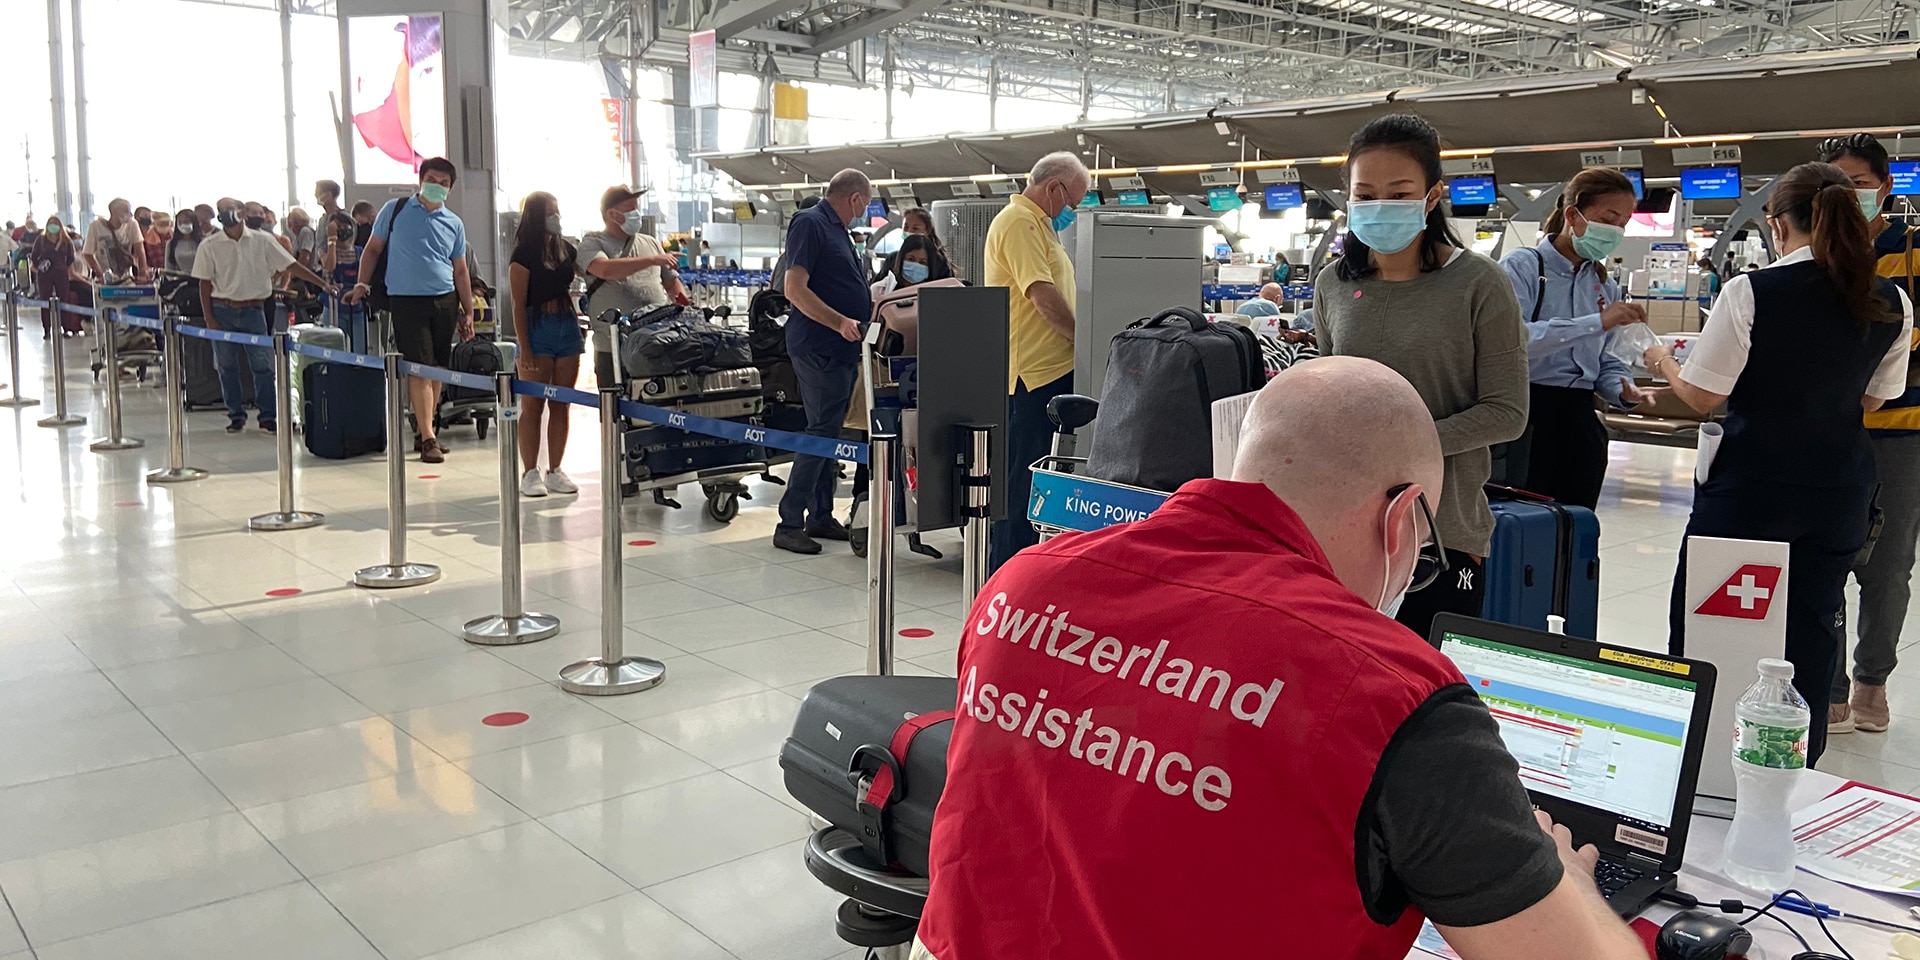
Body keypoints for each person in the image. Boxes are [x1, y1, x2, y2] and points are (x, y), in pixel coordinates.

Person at [914, 356, 1644, 960]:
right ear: (1402, 517)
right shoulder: (1388, 691)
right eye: (1422, 552)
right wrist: (1568, 881)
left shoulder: (1023, 582)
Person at [1650, 161, 1912, 767]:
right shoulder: (1889, 302)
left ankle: (1704, 753)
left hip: (1751, 490)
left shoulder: (1753, 291)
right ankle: (1800, 752)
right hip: (1840, 492)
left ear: (1776, 223)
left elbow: (1702, 396)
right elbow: (1874, 400)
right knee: (1814, 624)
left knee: (1716, 619)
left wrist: (1665, 361)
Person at [1313, 114, 1529, 638]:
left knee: (1420, 701)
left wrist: (1405, 442)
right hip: (1344, 526)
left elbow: (1508, 413)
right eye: (1364, 195)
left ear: (1432, 197)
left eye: (1398, 191)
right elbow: (1328, 388)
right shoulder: (1334, 284)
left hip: (1441, 530)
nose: (1378, 205)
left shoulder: (1479, 284)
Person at [1818, 134, 1920, 736]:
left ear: (1884, 186)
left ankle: (1872, 680)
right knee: (1825, 554)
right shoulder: (1815, 253)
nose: (1845, 195)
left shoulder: (1911, 248)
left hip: (1901, 431)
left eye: (1857, 183)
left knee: (1888, 565)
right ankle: (1826, 679)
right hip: (1827, 427)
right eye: (1834, 184)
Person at [1497, 167, 1659, 508]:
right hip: (1528, 416)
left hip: (1580, 419)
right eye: (1608, 218)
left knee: (1576, 523)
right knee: (1524, 522)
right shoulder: (1524, 268)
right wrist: (1596, 321)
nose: (1615, 231)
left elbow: (1607, 359)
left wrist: (1623, 388)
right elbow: (1512, 342)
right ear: (1573, 214)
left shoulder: (1602, 284)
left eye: (1623, 223)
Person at [987, 151, 1091, 571]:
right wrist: (1086, 343)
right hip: (1031, 376)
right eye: (1073, 202)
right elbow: (1042, 296)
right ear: (1053, 188)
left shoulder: (1042, 226)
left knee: (1041, 483)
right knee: (1023, 486)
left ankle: (1029, 571)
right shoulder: (1019, 223)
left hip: (1051, 371)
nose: (1073, 212)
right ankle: (1008, 576)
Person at [344, 157, 475, 464]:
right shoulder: (395, 210)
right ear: (421, 180)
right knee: (419, 366)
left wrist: (467, 311)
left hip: (444, 299)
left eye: (444, 183)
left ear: (450, 188)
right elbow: (373, 249)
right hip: (405, 300)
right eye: (432, 179)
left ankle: (426, 428)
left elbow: (461, 271)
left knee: (438, 367)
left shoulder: (453, 223)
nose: (437, 186)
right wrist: (362, 284)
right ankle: (428, 439)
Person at [772, 169, 874, 555]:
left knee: (828, 430)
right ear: (855, 199)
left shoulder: (838, 231)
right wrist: (839, 322)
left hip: (840, 347)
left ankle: (819, 514)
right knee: (821, 431)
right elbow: (793, 288)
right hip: (820, 345)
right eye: (866, 203)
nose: (864, 209)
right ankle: (789, 521)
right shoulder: (810, 222)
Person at [194, 204, 335, 434]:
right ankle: (235, 415)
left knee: (262, 366)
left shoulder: (262, 241)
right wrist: (209, 317)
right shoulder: (209, 245)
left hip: (254, 309)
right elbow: (204, 283)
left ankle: (268, 416)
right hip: (223, 308)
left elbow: (290, 264)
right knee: (226, 366)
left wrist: (321, 284)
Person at [507, 192, 582, 499]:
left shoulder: (566, 249)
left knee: (561, 403)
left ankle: (555, 469)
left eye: (558, 211)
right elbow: (517, 303)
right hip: (538, 329)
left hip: (567, 326)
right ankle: (529, 471)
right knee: (533, 405)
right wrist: (524, 348)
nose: (557, 217)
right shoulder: (523, 254)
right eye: (551, 212)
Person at [576, 186, 686, 389]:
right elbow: (606, 270)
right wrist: (652, 260)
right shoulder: (592, 244)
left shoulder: (651, 243)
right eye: (630, 209)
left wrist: (683, 303)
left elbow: (671, 281)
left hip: (655, 342)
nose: (637, 214)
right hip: (613, 348)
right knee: (615, 411)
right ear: (611, 214)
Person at [29, 217, 82, 338]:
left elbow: (70, 257)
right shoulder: (41, 240)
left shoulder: (65, 241)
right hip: (45, 274)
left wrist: (63, 266)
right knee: (45, 300)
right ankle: (47, 329)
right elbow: (34, 256)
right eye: (51, 224)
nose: (53, 226)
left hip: (61, 273)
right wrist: (40, 267)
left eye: (55, 224)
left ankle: (66, 327)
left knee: (64, 298)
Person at [83, 198, 149, 283]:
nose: (129, 214)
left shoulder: (132, 224)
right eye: (125, 211)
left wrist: (142, 273)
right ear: (114, 211)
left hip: (127, 276)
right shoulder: (95, 227)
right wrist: (99, 273)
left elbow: (140, 250)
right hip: (106, 276)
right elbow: (87, 253)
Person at [165, 208, 201, 274]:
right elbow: (168, 269)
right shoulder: (171, 244)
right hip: (181, 280)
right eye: (180, 222)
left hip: (201, 279)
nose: (183, 224)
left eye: (186, 221)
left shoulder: (203, 242)